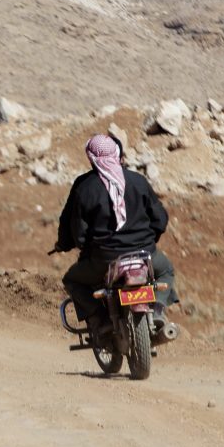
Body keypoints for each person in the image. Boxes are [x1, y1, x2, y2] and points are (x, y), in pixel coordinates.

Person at [55, 134, 179, 331]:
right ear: (118, 154)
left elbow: (78, 232)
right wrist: (146, 242)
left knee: (72, 279)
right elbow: (160, 219)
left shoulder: (84, 187)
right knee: (165, 271)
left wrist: (73, 245)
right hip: (145, 255)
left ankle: (99, 319)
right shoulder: (138, 181)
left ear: (91, 157)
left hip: (105, 260)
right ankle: (157, 310)